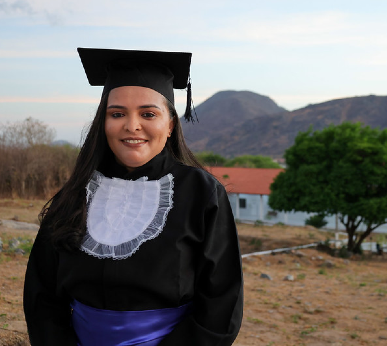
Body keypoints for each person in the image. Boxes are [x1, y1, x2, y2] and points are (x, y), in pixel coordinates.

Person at [23, 48, 243, 346]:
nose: (131, 126)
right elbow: (42, 292)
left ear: (170, 125)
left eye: (148, 114)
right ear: (103, 122)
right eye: (117, 114)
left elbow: (221, 303)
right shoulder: (77, 192)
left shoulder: (202, 193)